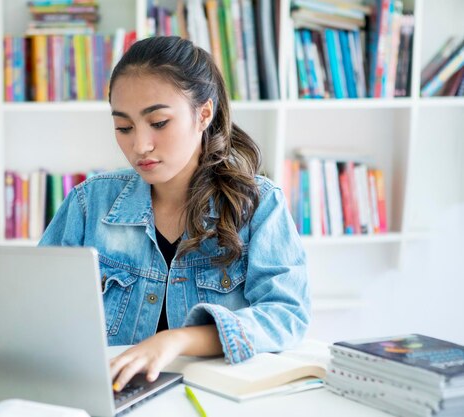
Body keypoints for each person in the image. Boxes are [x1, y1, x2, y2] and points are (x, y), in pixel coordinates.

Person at [39, 36, 310, 392]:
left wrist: (177, 341)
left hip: (213, 402)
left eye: (159, 122)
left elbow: (286, 315)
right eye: (124, 127)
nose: (140, 146)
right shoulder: (90, 203)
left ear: (204, 114)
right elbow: (39, 311)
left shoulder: (258, 204)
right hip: (108, 398)